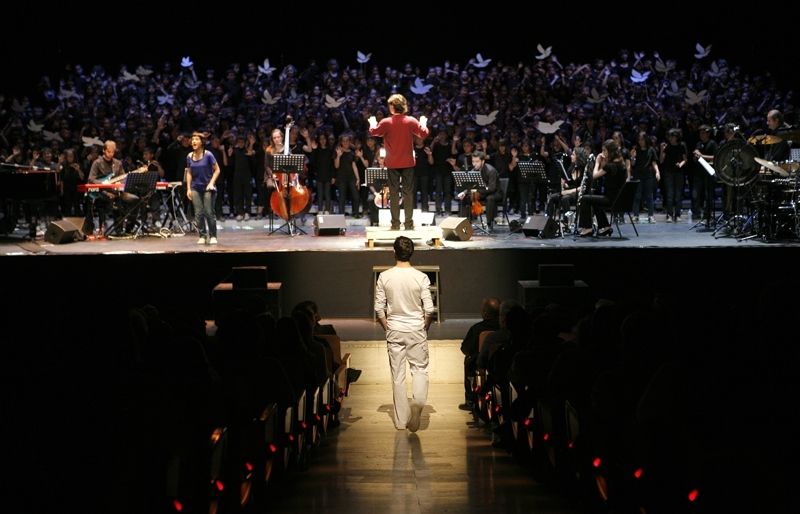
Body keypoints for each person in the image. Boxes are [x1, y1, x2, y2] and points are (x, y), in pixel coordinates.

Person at [374, 236, 435, 432]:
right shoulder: (421, 277)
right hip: (416, 328)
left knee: (397, 375)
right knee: (419, 370)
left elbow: (378, 309)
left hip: (395, 329)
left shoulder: (385, 277)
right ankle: (416, 405)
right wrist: (424, 325)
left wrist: (388, 326)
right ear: (412, 253)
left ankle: (401, 421)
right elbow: (430, 309)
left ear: (394, 252)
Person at [368, 94, 429, 230]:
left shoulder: (386, 122)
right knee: (408, 194)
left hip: (393, 163)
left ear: (392, 106)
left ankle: (395, 224)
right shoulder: (411, 121)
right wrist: (423, 123)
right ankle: (408, 224)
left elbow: (374, 132)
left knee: (394, 194)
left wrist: (372, 122)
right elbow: (424, 134)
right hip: (407, 163)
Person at [85, 140, 137, 235]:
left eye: (113, 152)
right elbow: (91, 179)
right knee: (111, 200)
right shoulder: (97, 163)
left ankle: (128, 228)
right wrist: (103, 183)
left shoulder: (117, 163)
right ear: (104, 150)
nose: (111, 154)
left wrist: (120, 182)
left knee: (135, 199)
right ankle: (112, 227)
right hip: (102, 191)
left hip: (117, 191)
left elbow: (123, 178)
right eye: (109, 151)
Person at [185, 132, 221, 245]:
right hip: (195, 187)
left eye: (196, 139)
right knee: (198, 213)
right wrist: (188, 189)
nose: (193, 141)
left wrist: (211, 183)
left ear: (202, 142)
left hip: (208, 187)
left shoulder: (208, 154)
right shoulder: (189, 156)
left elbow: (217, 170)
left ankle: (213, 235)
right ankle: (202, 235)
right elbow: (189, 172)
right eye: (192, 139)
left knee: (209, 212)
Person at [456, 151, 502, 231]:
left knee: (489, 198)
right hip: (483, 192)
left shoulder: (491, 170)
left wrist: (478, 192)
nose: (474, 164)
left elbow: (492, 188)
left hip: (495, 193)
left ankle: (489, 224)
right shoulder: (474, 171)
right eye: (473, 161)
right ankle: (464, 224)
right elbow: (471, 185)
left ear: (483, 161)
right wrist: (464, 192)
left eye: (477, 161)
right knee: (465, 198)